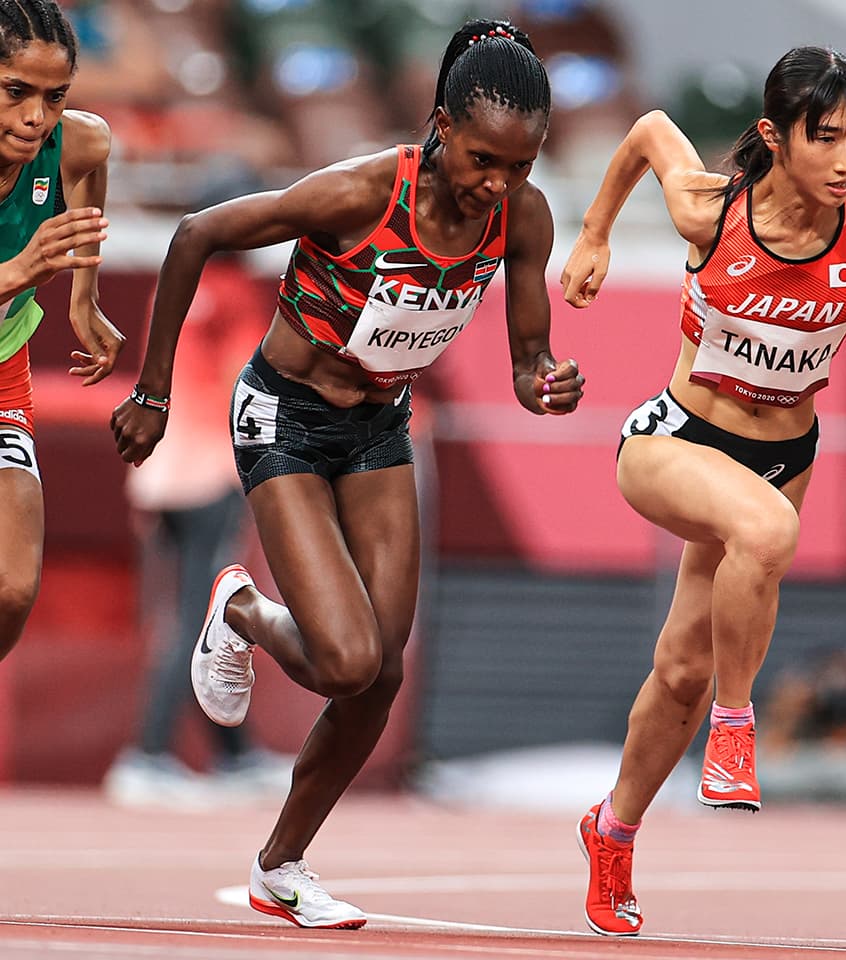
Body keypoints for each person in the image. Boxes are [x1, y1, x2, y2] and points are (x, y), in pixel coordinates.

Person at [110, 18, 582, 929]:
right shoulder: (363, 191)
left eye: (520, 167)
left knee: (382, 678)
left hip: (375, 430)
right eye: (485, 160)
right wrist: (155, 395)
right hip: (283, 416)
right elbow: (196, 233)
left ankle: (279, 866)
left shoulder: (522, 217)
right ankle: (241, 609)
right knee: (346, 659)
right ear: (441, 126)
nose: (499, 185)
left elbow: (530, 359)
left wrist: (546, 382)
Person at [559, 46, 846, 936]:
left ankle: (614, 827)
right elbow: (646, 131)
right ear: (773, 137)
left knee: (678, 667)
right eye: (825, 138)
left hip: (786, 454)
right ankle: (737, 724)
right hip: (675, 440)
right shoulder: (711, 209)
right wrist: (594, 234)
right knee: (765, 535)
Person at [104, 192, 284, 808]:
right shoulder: (236, 292)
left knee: (190, 610)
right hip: (209, 471)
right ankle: (149, 755)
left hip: (160, 473)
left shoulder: (175, 283)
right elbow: (247, 382)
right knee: (201, 617)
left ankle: (233, 756)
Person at [0, 0, 120, 666]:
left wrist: (84, 291)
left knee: (13, 588)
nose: (35, 117)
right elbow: (19, 269)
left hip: (1, 370)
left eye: (54, 97)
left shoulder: (73, 142)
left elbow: (96, 153)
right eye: (16, 92)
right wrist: (20, 269)